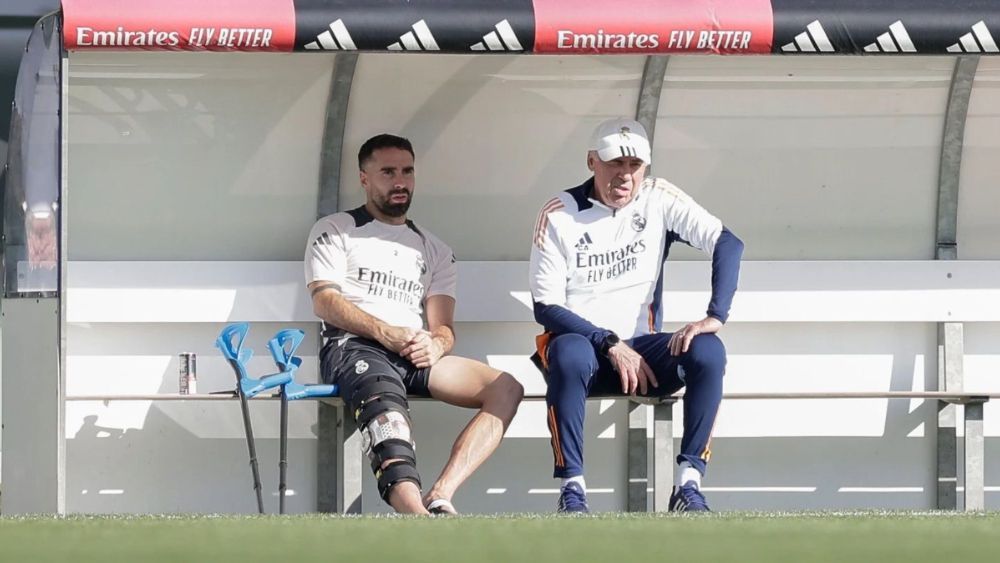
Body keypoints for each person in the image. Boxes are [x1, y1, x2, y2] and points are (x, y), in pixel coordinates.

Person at [529, 118, 743, 513]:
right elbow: (546, 307)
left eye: (635, 165)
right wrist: (609, 343)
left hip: (642, 354)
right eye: (614, 164)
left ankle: (689, 485)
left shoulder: (658, 195)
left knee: (709, 351)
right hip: (581, 352)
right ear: (592, 161)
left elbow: (727, 242)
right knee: (571, 352)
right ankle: (572, 490)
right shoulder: (559, 211)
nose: (625, 175)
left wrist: (715, 316)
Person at [306, 134, 524, 515]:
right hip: (355, 345)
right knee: (387, 409)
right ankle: (416, 517)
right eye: (388, 172)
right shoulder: (335, 229)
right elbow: (324, 300)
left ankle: (440, 495)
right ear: (364, 178)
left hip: (412, 350)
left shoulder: (434, 248)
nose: (400, 181)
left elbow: (444, 327)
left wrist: (437, 344)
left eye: (407, 171)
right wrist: (384, 331)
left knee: (506, 389)